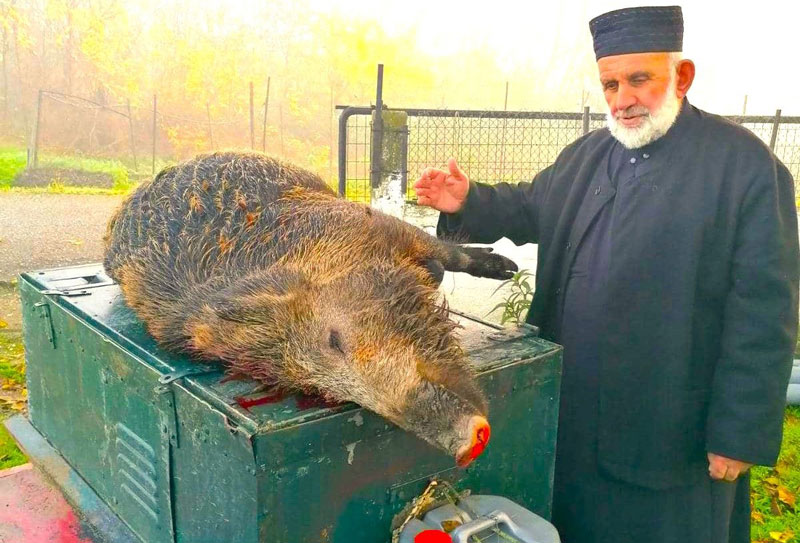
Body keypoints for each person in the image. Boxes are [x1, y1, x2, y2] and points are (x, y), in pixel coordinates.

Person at [413, 5, 799, 543]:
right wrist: (468, 198)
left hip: (672, 423)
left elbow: (766, 313)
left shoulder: (746, 169)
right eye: (610, 83)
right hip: (575, 410)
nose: (622, 99)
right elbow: (530, 207)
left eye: (639, 79)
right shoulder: (589, 155)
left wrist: (738, 430)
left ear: (682, 77)